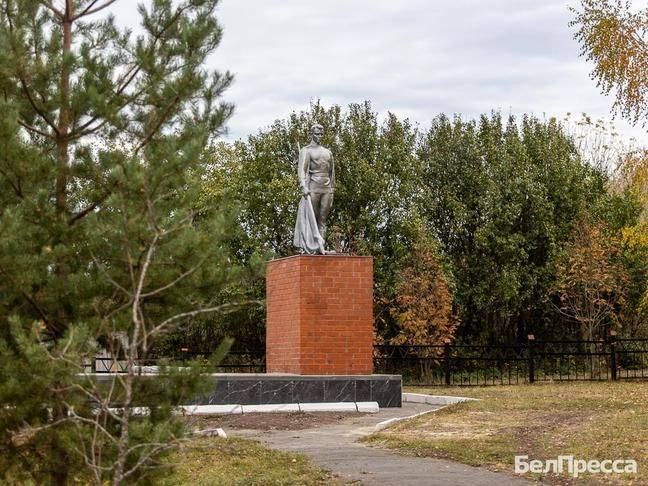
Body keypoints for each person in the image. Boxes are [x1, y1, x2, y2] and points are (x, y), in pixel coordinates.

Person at [293, 124, 334, 254]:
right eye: (317, 134)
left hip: (326, 188)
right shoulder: (306, 150)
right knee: (312, 219)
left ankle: (321, 248)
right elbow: (302, 171)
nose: (319, 136)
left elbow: (332, 174)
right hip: (313, 187)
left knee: (322, 220)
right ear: (311, 134)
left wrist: (332, 190)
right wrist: (303, 186)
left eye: (321, 134)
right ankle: (311, 248)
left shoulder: (328, 152)